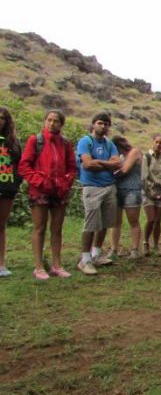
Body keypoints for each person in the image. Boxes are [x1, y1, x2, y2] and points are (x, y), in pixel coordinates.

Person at [19, 109, 76, 279]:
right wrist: (39, 181)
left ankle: (57, 265)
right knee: (40, 227)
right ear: (45, 121)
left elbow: (72, 167)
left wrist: (66, 182)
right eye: (49, 120)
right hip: (40, 191)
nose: (52, 124)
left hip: (60, 191)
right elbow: (24, 166)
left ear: (61, 124)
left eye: (56, 121)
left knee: (57, 229)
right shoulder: (35, 140)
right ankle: (38, 267)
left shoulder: (66, 143)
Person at [75, 112, 121, 275]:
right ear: (93, 124)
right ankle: (85, 259)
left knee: (104, 223)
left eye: (106, 124)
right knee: (91, 223)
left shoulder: (110, 144)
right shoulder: (85, 142)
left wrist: (99, 162)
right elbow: (87, 164)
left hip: (109, 187)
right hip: (92, 187)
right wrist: (108, 164)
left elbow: (117, 164)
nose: (103, 126)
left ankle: (96, 254)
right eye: (100, 123)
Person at [109, 135, 143, 260]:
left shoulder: (134, 152)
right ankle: (113, 250)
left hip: (132, 190)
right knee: (115, 222)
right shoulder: (120, 156)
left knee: (133, 221)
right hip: (118, 190)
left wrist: (107, 173)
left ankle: (134, 249)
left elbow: (124, 170)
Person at [0, 107, 23, 277]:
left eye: (2, 118)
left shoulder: (13, 142)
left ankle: (1, 264)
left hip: (7, 189)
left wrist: (15, 184)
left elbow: (20, 166)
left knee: (1, 226)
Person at [141, 134, 161, 256]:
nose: (158, 144)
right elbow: (144, 177)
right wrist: (151, 193)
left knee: (158, 220)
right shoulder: (146, 157)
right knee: (151, 219)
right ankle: (146, 242)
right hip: (148, 193)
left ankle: (156, 245)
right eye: (156, 142)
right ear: (153, 142)